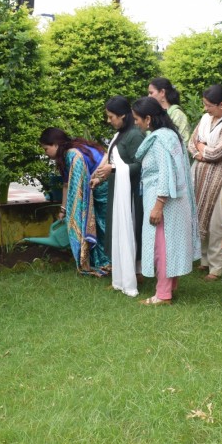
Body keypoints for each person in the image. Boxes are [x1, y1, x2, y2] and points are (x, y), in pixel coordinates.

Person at [131, 96, 199, 304]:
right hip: (175, 200)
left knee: (162, 247)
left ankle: (162, 294)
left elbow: (165, 174)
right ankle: (170, 287)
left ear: (148, 118)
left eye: (137, 118)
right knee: (170, 245)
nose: (135, 122)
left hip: (163, 202)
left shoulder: (160, 139)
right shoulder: (170, 135)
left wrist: (158, 205)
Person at [91, 96, 146, 296]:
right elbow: (112, 162)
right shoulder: (119, 134)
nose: (108, 120)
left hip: (131, 194)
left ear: (123, 115)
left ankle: (136, 273)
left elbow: (140, 165)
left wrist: (112, 169)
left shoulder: (135, 135)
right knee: (118, 231)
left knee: (131, 230)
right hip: (118, 190)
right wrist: (100, 178)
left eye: (111, 116)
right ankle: (121, 275)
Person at [39, 127, 110, 275]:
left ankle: (109, 263)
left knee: (103, 225)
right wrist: (63, 209)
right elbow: (66, 185)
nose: (45, 153)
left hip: (104, 182)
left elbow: (77, 188)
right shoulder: (67, 154)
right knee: (98, 225)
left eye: (46, 149)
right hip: (97, 183)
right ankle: (103, 261)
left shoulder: (72, 154)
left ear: (55, 144)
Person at [188, 84, 222, 280]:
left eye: (209, 105)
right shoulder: (205, 119)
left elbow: (218, 152)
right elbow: (191, 143)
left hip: (218, 178)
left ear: (221, 105)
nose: (206, 108)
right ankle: (204, 260)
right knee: (200, 217)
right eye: (204, 104)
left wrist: (202, 149)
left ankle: (217, 266)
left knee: (216, 223)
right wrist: (200, 151)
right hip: (199, 175)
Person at [148, 77, 191, 147]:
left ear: (162, 92)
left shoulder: (177, 114)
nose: (148, 96)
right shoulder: (151, 113)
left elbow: (185, 142)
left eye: (151, 93)